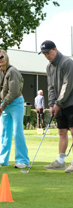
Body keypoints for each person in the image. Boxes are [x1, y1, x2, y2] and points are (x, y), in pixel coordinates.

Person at [0, 49, 30, 168]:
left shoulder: (13, 71)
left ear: (6, 57)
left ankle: (23, 160)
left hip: (16, 103)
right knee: (4, 132)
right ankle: (2, 160)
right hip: (4, 104)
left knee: (18, 130)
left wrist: (3, 105)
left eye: (1, 57)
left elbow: (13, 91)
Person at [39, 40, 73, 173]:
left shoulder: (67, 62)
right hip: (60, 104)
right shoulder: (49, 67)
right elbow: (51, 87)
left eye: (48, 52)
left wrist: (57, 103)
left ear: (55, 49)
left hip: (70, 102)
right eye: (44, 54)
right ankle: (60, 161)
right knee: (61, 131)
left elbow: (67, 84)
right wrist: (52, 105)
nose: (47, 56)